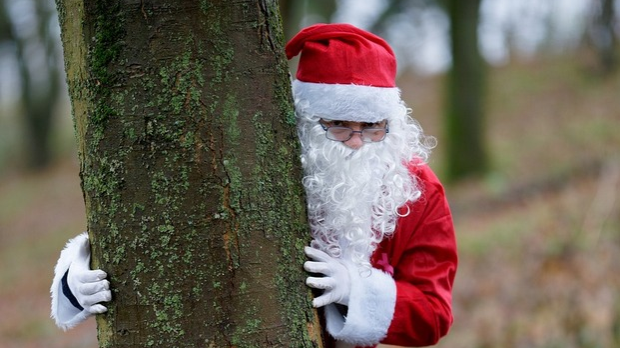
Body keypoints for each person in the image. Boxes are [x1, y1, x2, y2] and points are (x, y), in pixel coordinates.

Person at [50, 23, 457, 348]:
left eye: (373, 128)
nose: (356, 142)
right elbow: (171, 223)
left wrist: (358, 289)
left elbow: (434, 315)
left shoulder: (417, 188)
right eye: (338, 126)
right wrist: (76, 279)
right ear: (307, 121)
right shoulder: (264, 164)